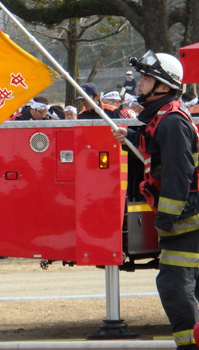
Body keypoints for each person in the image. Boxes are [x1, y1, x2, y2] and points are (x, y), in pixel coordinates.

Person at [112, 51, 198, 350]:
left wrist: (166, 219)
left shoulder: (172, 121)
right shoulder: (162, 118)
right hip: (185, 218)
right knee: (184, 285)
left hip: (186, 220)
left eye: (146, 78)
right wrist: (131, 141)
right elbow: (157, 154)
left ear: (162, 85)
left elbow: (178, 175)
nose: (140, 83)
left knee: (174, 285)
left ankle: (189, 345)